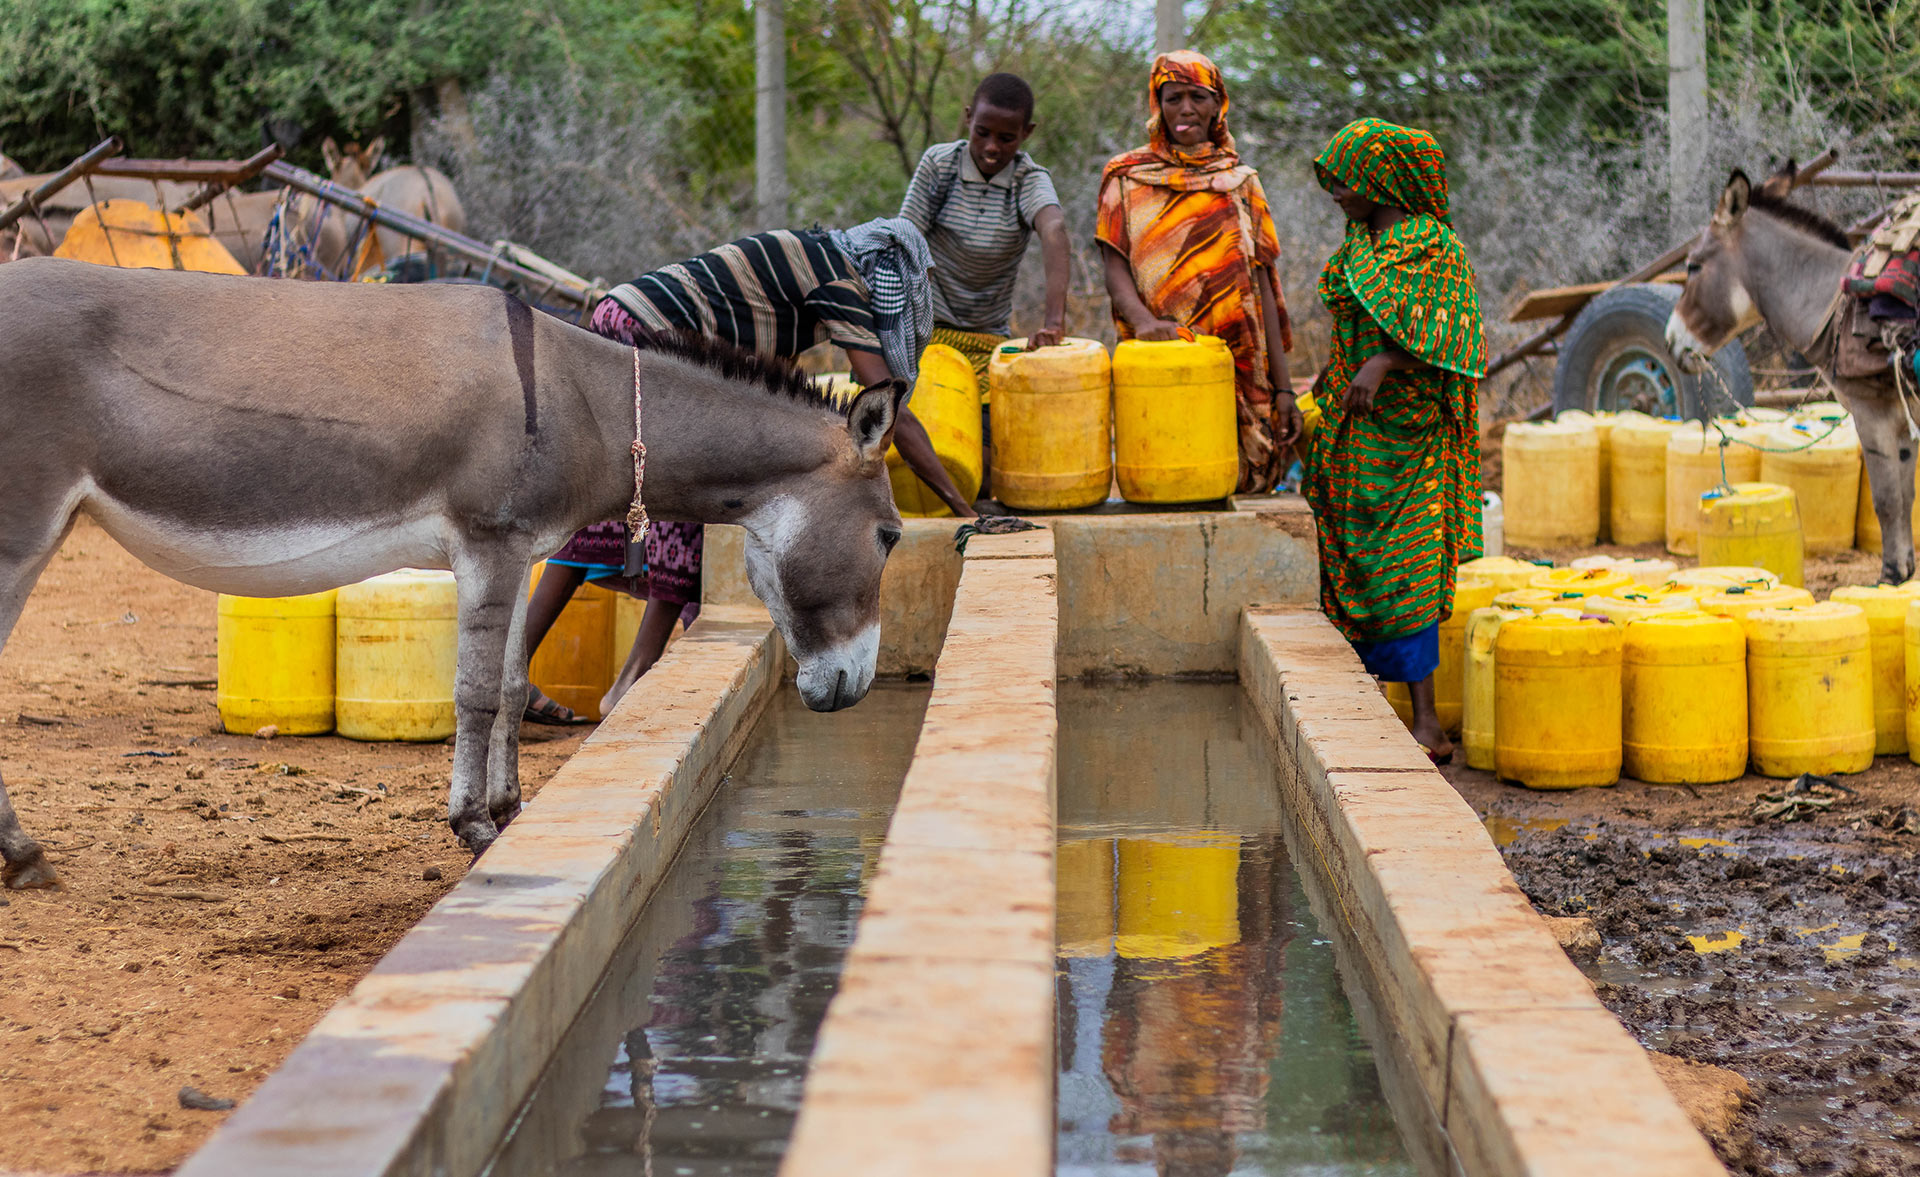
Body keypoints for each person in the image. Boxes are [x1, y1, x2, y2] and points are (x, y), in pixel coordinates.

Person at [522, 218, 970, 724]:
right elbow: (891, 412)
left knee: (608, 508)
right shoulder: (843, 283)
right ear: (889, 270)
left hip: (625, 326)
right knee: (684, 520)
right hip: (647, 342)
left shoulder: (819, 258)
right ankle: (618, 680)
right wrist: (964, 508)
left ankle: (553, 676)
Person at [1300, 117, 1487, 763]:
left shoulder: (1434, 249)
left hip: (1411, 438)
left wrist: (1382, 364)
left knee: (1404, 571)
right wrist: (1338, 368)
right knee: (1355, 565)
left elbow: (1456, 339)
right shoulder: (1359, 241)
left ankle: (1428, 723)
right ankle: (1369, 708)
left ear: (1381, 179)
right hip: (1355, 433)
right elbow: (1353, 321)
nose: (1336, 192)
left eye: (1346, 179)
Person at [1096, 50, 1300, 494]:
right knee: (1168, 473)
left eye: (1196, 97)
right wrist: (1145, 322)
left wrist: (1283, 389)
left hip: (1240, 362)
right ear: (1157, 105)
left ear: (1218, 104)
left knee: (1244, 480)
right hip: (1162, 356)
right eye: (1172, 98)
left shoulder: (1240, 180)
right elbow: (1115, 267)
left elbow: (1263, 284)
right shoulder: (1127, 178)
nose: (1185, 109)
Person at [899, 71, 1072, 480]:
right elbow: (904, 238)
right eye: (982, 133)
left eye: (1007, 138)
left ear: (1026, 133)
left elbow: (1054, 229)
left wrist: (1054, 323)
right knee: (908, 445)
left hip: (984, 336)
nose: (992, 148)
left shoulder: (1028, 180)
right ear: (967, 119)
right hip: (922, 332)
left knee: (988, 460)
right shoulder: (940, 165)